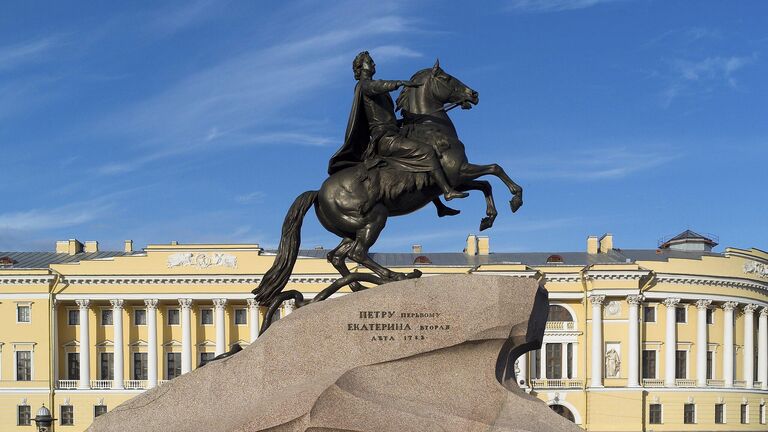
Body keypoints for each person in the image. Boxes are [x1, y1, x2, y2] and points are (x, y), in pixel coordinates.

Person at [328, 51, 468, 201]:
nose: (374, 64)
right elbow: (376, 87)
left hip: (393, 133)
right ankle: (447, 191)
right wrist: (398, 83)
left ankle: (438, 203)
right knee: (426, 151)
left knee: (423, 145)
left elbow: (388, 118)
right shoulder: (363, 86)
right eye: (370, 61)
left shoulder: (374, 89)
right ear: (361, 68)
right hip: (385, 139)